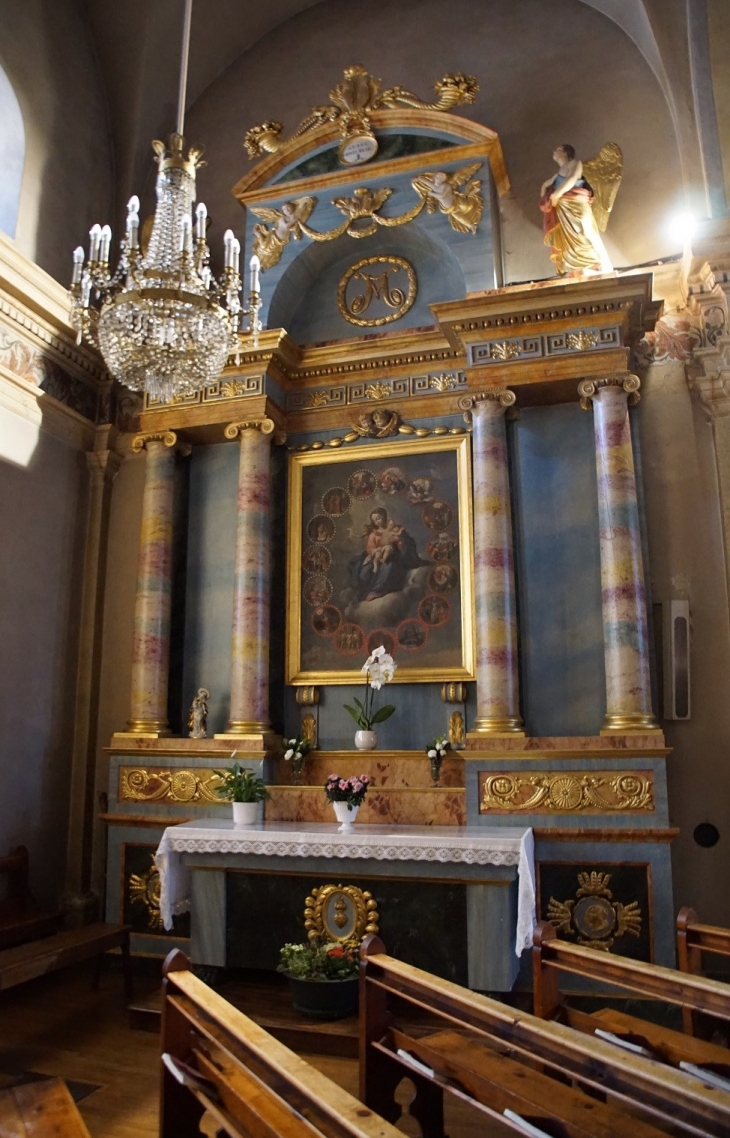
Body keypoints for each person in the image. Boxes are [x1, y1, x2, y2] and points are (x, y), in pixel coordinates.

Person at [539, 144, 612, 276]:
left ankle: (597, 264)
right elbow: (544, 192)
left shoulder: (575, 163)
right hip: (563, 210)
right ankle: (575, 268)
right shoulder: (557, 175)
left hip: (577, 204)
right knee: (568, 241)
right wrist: (545, 187)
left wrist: (557, 194)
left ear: (565, 153)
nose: (554, 151)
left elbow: (572, 179)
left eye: (558, 149)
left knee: (583, 232)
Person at [348, 507, 425, 602]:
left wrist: (399, 541)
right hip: (377, 555)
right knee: (365, 571)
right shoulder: (374, 534)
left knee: (387, 567)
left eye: (378, 518)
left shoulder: (395, 529)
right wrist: (375, 551)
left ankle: (376, 591)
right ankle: (362, 593)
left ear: (384, 516)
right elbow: (370, 548)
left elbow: (404, 542)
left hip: (394, 556)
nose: (377, 522)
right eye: (374, 520)